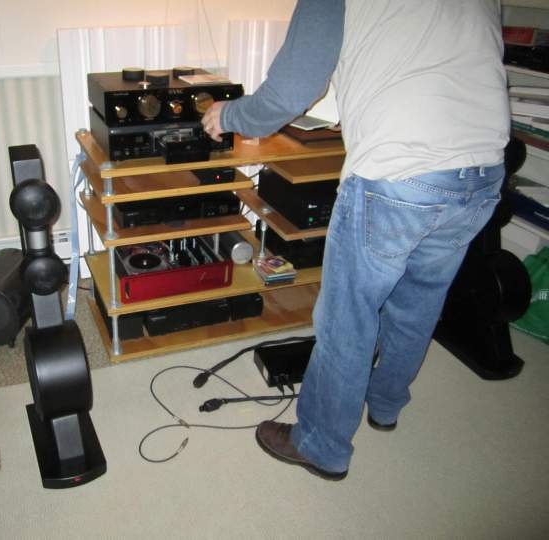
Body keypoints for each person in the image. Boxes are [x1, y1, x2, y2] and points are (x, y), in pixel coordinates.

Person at [202, 0, 509, 480]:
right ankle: (386, 405)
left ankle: (321, 444)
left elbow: (287, 95)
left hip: (400, 172)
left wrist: (229, 116)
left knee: (348, 317)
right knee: (419, 300)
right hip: (483, 168)